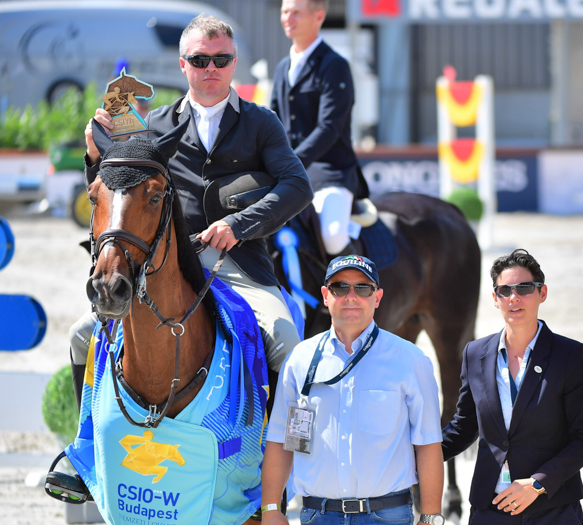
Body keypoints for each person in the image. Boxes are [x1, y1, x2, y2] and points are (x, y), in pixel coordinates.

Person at [70, 15, 313, 404]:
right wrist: (95, 158)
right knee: (81, 337)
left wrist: (239, 224)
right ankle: (86, 447)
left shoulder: (262, 123)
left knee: (286, 342)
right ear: (183, 64)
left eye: (221, 59)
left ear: (234, 63)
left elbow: (299, 187)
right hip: (166, 261)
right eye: (200, 60)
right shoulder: (153, 124)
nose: (211, 69)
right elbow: (116, 195)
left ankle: (288, 451)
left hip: (241, 263)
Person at [261, 255, 446, 525]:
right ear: (325, 295)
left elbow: (428, 443)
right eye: (339, 287)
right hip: (317, 516)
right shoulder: (300, 360)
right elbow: (282, 440)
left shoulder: (410, 360)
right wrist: (271, 509)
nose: (351, 296)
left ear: (378, 297)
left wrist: (430, 517)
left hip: (386, 517)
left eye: (363, 288)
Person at [442, 249, 583, 524]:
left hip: (551, 508)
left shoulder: (571, 355)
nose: (514, 297)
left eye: (524, 288)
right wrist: (416, 454)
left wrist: (538, 484)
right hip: (489, 507)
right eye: (505, 290)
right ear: (495, 298)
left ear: (542, 293)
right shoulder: (475, 353)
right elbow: (464, 427)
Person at [271, 0, 365, 257]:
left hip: (328, 171)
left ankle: (357, 286)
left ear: (319, 16)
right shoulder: (282, 68)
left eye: (296, 12)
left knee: (333, 235)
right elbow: (272, 120)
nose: (288, 18)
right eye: (284, 12)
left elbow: (330, 127)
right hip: (288, 170)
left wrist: (290, 161)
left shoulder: (334, 66)